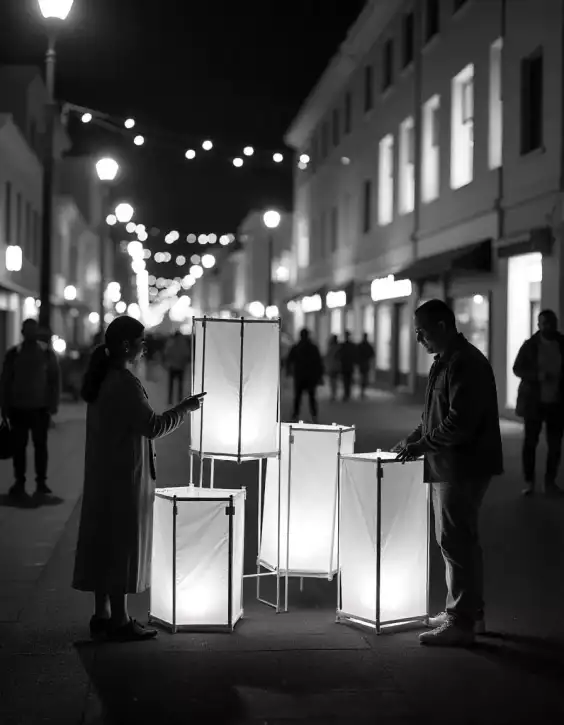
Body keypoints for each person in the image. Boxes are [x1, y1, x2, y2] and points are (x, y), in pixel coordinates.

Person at [72, 316, 203, 642]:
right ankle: (120, 619)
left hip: (104, 473)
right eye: (141, 341)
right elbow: (152, 426)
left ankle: (101, 614)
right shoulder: (124, 382)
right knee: (122, 547)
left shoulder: (102, 378)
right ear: (127, 346)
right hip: (124, 477)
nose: (146, 347)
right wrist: (185, 409)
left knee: (104, 544)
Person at [393, 299, 503, 647]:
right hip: (449, 463)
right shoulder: (445, 361)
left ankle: (461, 621)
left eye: (422, 332)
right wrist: (413, 439)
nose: (418, 339)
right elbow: (434, 416)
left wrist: (421, 445)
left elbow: (460, 422)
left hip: (461, 466)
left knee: (455, 540)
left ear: (441, 326)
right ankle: (469, 612)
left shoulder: (464, 362)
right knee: (457, 540)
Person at [0, 318, 61, 497]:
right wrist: (4, 407)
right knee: (19, 448)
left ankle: (40, 482)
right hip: (18, 408)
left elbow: (54, 380)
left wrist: (53, 404)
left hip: (40, 408)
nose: (31, 334)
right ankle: (20, 482)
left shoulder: (46, 353)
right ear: (23, 333)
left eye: (33, 330)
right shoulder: (14, 354)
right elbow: (5, 381)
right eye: (28, 330)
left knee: (40, 447)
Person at [513, 309, 564, 496]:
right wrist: (538, 376)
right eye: (544, 324)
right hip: (534, 402)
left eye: (552, 323)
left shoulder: (562, 344)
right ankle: (530, 482)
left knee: (555, 445)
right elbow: (517, 368)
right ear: (538, 325)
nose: (548, 327)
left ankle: (549, 482)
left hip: (557, 403)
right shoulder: (531, 345)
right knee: (530, 443)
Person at [286, 329, 324, 423]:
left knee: (298, 397)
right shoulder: (313, 347)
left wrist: (289, 371)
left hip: (299, 375)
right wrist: (319, 376)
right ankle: (314, 416)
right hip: (311, 376)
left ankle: (295, 415)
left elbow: (289, 360)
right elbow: (318, 362)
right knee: (312, 397)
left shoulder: (296, 347)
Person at [164, 331, 191, 404]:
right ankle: (179, 400)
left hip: (172, 367)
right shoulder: (183, 343)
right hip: (181, 367)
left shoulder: (171, 343)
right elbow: (187, 354)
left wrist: (169, 362)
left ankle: (170, 400)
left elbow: (166, 353)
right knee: (180, 385)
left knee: (171, 385)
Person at [338, 331, 357, 402]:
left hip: (345, 365)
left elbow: (339, 355)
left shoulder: (343, 345)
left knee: (346, 379)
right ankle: (347, 393)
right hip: (348, 364)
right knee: (347, 379)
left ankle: (347, 393)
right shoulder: (349, 345)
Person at [357, 333, 375, 398]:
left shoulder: (362, 345)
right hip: (365, 364)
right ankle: (362, 391)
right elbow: (372, 354)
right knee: (364, 377)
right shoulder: (367, 346)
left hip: (362, 364)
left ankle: (362, 391)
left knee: (363, 377)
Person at [325, 335, 341, 402]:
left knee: (333, 380)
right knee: (333, 380)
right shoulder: (338, 347)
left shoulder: (333, 347)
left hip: (333, 366)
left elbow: (329, 356)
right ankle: (334, 393)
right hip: (335, 366)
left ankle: (333, 394)